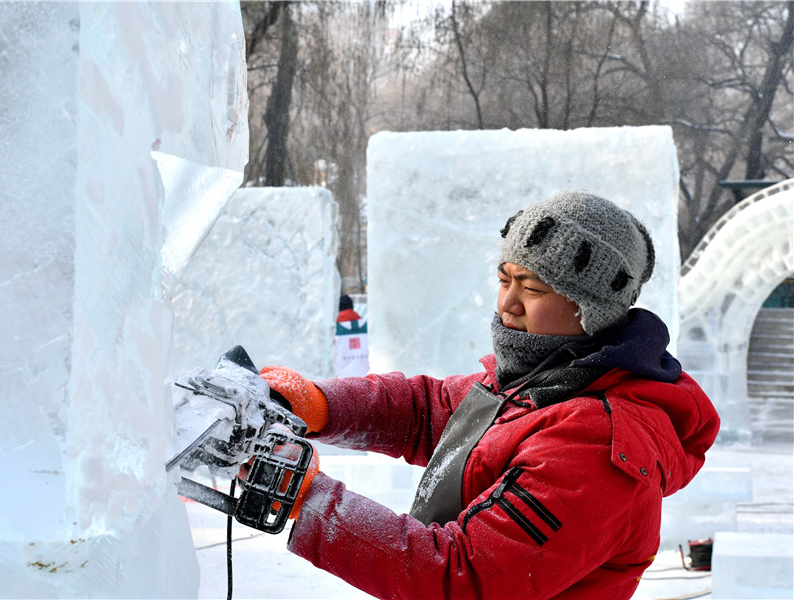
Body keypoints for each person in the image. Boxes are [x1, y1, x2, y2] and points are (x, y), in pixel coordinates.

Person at [259, 191, 720, 600]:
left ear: (592, 312)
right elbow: (428, 410)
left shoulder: (599, 443)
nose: (507, 304)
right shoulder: (539, 382)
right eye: (505, 280)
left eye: (533, 288)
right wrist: (318, 404)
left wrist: (311, 500)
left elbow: (461, 576)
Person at [334, 294, 370, 377]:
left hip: (342, 383)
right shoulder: (367, 327)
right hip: (367, 380)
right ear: (352, 307)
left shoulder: (335, 330)